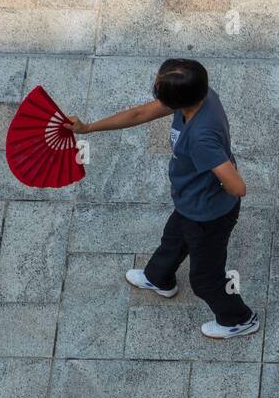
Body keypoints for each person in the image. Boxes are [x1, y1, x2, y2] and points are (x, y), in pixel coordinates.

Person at [65, 58, 259, 340]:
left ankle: (239, 319)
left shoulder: (202, 137)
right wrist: (88, 128)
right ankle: (159, 278)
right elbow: (139, 114)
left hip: (207, 215)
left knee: (205, 280)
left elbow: (237, 187)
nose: (154, 86)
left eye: (158, 85)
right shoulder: (201, 94)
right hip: (189, 205)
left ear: (178, 101)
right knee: (174, 238)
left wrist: (209, 193)